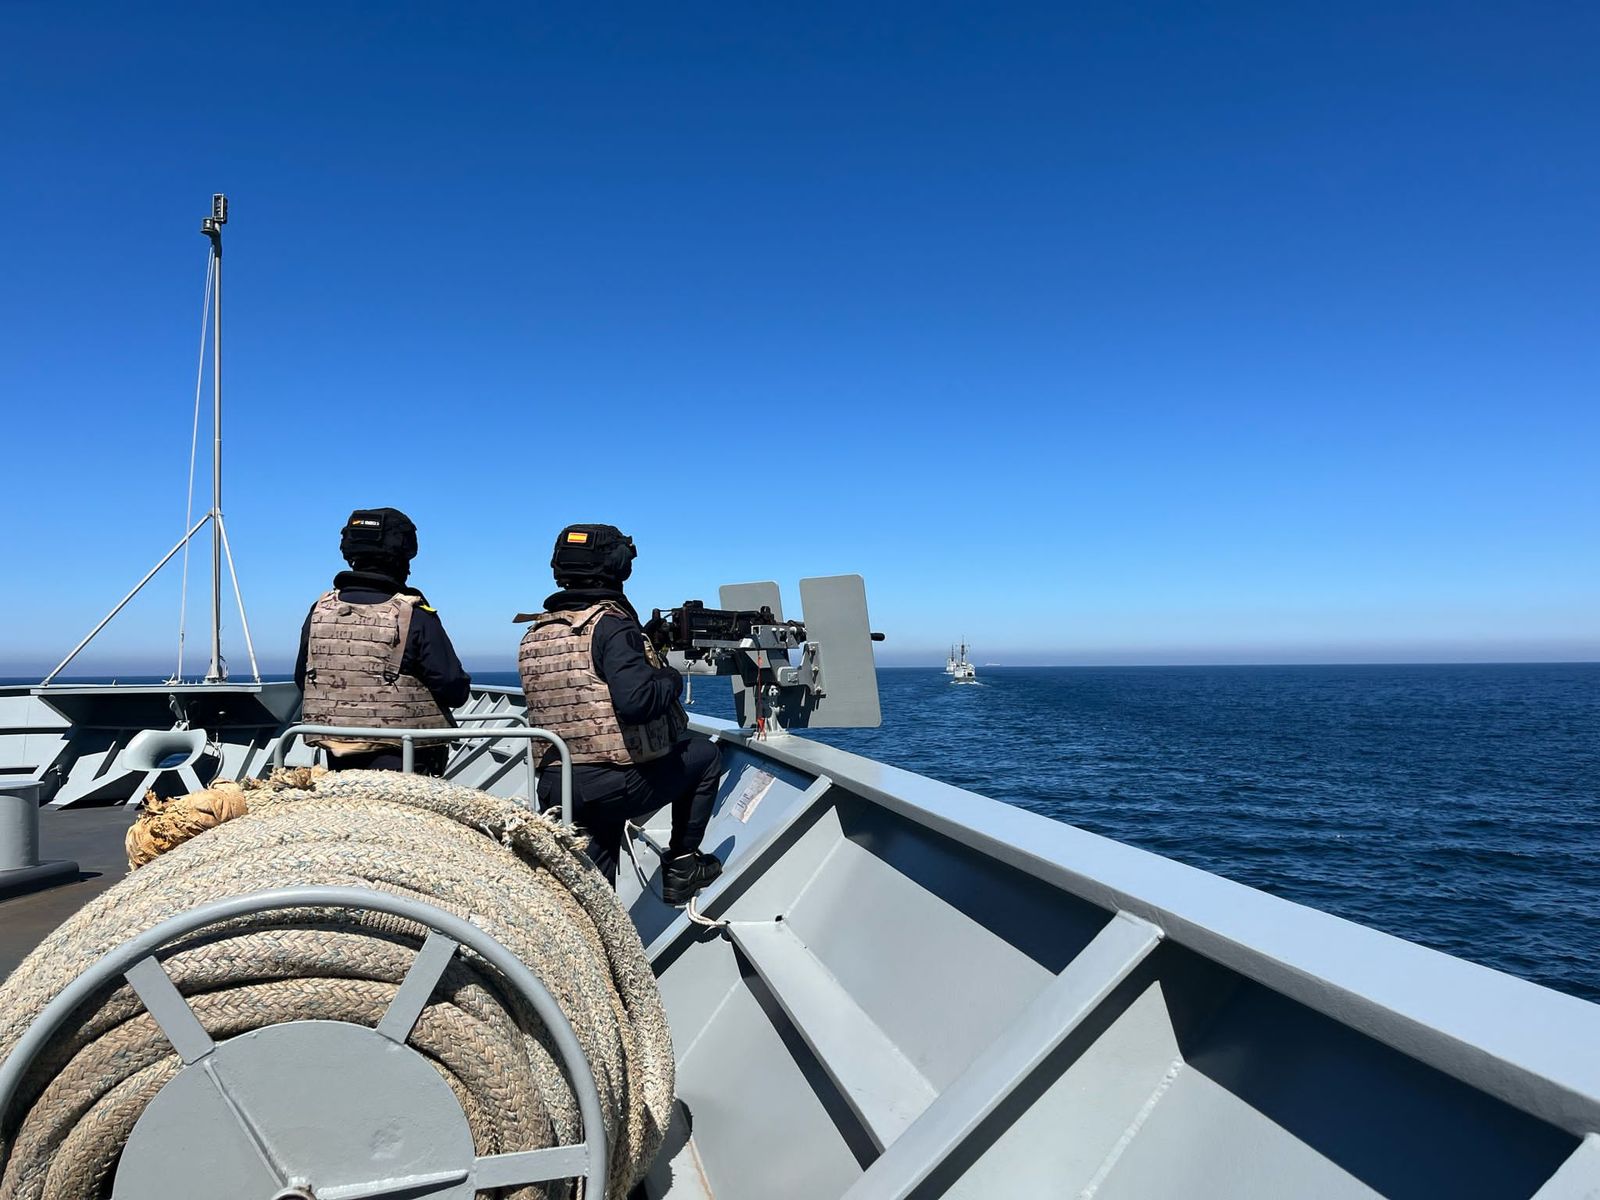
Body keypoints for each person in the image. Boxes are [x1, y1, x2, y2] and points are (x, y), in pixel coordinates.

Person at [518, 523, 724, 904]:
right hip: (609, 785)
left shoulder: (537, 631)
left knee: (592, 894)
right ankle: (683, 865)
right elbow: (636, 702)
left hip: (555, 786)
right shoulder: (611, 625)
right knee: (706, 755)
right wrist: (670, 678)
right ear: (617, 566)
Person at [294, 507, 471, 775]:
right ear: (403, 557)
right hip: (406, 764)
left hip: (338, 765)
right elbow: (454, 689)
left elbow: (303, 680)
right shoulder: (414, 614)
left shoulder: (319, 610)